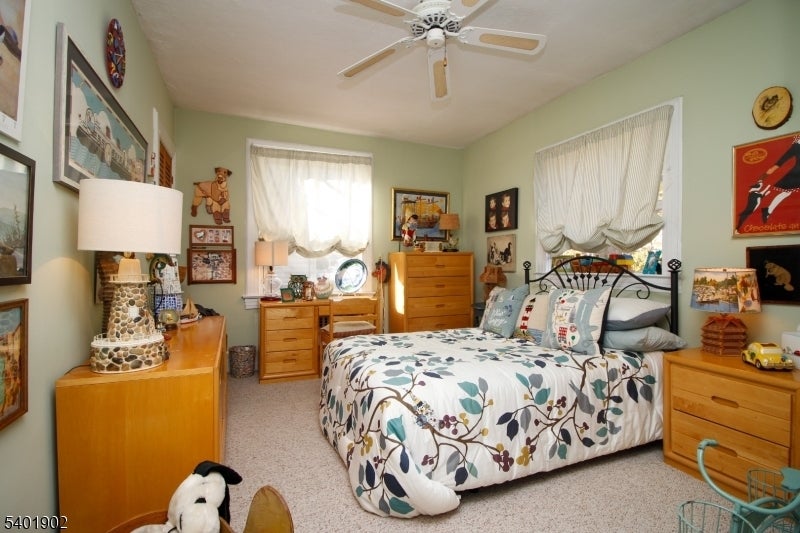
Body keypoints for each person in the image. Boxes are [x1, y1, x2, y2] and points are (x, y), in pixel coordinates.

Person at [760, 135, 800, 222]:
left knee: (786, 193)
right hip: (797, 174)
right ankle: (768, 210)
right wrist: (769, 172)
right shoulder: (796, 146)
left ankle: (768, 210)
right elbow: (783, 159)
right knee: (786, 193)